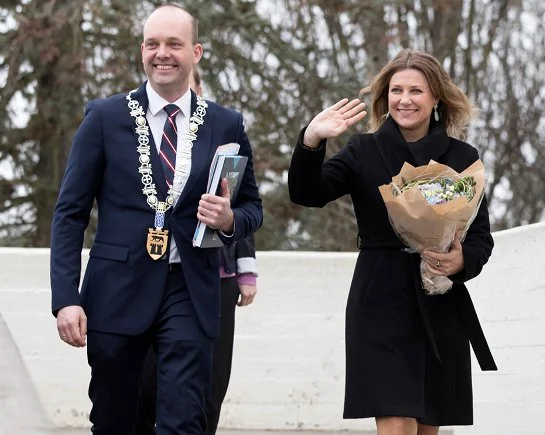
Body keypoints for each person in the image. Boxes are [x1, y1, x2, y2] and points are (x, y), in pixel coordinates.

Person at [50, 4, 262, 435]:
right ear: (142, 51)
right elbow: (70, 213)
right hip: (116, 290)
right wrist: (65, 297)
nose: (162, 53)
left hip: (190, 288)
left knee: (184, 419)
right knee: (114, 421)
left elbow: (251, 209)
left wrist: (227, 220)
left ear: (196, 52)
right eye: (152, 44)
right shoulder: (104, 118)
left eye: (174, 44)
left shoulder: (226, 124)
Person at [288, 49, 497, 435]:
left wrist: (461, 261)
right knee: (396, 418)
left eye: (416, 90)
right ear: (385, 98)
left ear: (436, 97)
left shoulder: (463, 157)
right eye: (396, 90)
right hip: (380, 297)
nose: (404, 100)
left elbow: (481, 235)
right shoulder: (362, 150)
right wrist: (312, 140)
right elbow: (307, 192)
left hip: (439, 299)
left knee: (427, 426)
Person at [134, 66, 259, 435]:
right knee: (150, 381)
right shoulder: (142, 132)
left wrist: (246, 272)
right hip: (150, 274)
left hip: (213, 273)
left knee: (208, 383)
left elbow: (240, 206)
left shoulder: (224, 134)